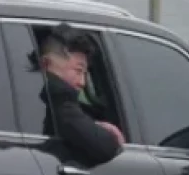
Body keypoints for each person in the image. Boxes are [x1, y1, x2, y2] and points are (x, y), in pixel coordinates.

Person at [34, 23, 125, 166]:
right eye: (78, 70)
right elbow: (104, 147)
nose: (82, 82)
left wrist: (91, 125)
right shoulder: (59, 96)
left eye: (85, 74)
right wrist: (110, 136)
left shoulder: (32, 99)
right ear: (46, 64)